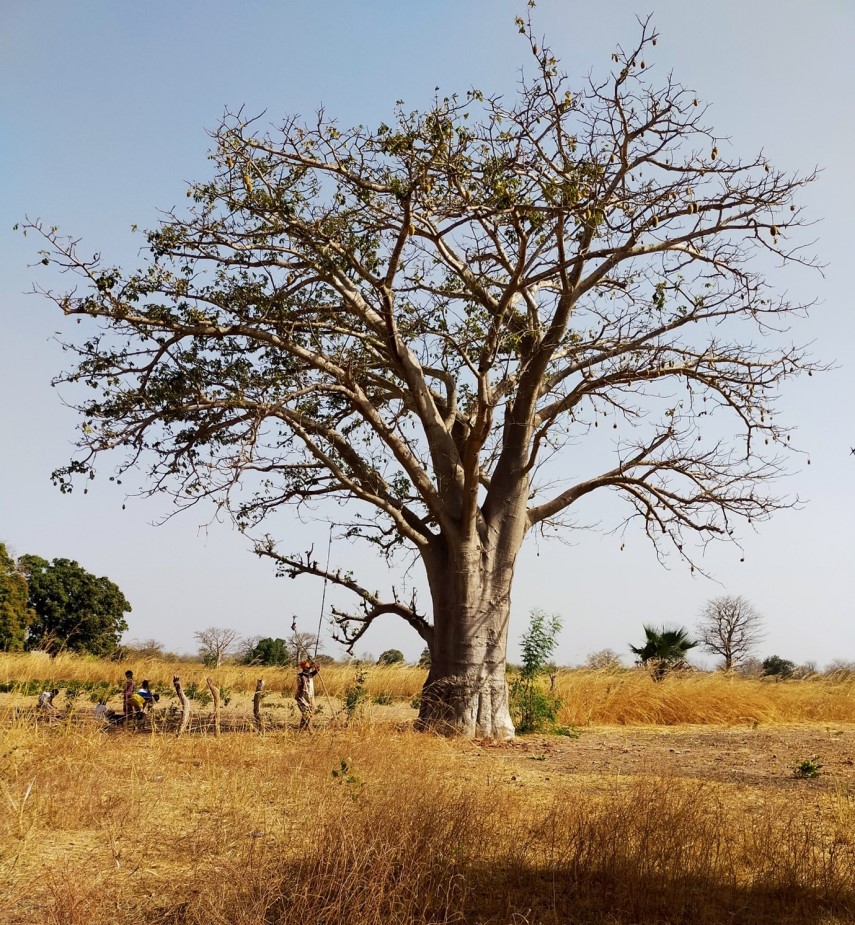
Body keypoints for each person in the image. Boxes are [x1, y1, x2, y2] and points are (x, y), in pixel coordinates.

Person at [295, 659, 320, 731]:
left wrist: (315, 665)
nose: (308, 669)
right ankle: (309, 730)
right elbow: (300, 688)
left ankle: (301, 730)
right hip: (302, 698)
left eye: (309, 668)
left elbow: (317, 669)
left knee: (307, 715)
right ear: (303, 668)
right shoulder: (300, 676)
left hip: (309, 699)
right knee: (306, 714)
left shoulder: (310, 675)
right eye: (307, 668)